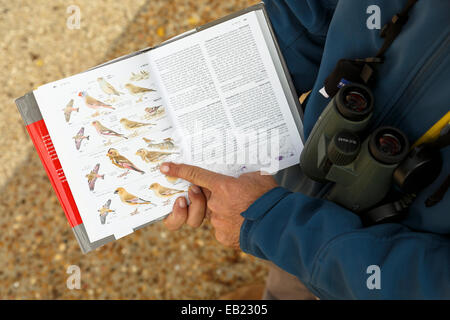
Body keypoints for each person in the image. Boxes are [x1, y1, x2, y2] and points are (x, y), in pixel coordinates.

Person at [160, 0, 450, 299]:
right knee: (288, 279)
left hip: (373, 261)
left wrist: (272, 223)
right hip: (295, 195)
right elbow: (310, 14)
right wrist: (222, 93)